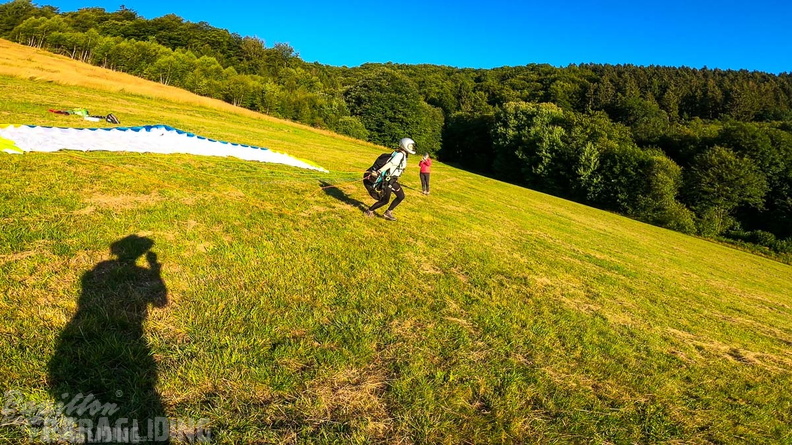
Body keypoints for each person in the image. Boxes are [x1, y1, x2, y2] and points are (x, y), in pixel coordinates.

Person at [363, 137, 416, 221]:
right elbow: (390, 164)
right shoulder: (400, 155)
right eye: (410, 146)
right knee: (384, 200)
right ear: (405, 145)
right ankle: (369, 211)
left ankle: (388, 212)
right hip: (388, 180)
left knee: (401, 196)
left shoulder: (403, 155)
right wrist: (379, 171)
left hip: (393, 180)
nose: (412, 148)